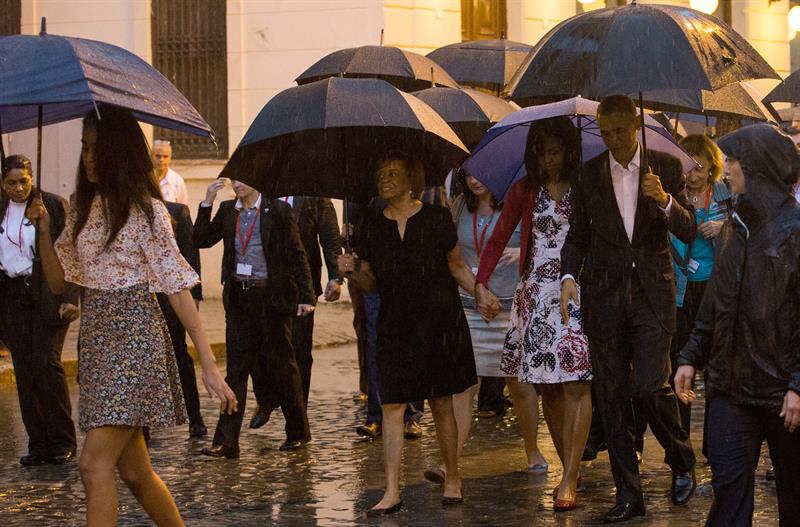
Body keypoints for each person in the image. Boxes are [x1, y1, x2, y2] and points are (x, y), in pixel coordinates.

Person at [27, 105, 236, 526]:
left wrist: (209, 364)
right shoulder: (83, 208)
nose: (86, 157)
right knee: (135, 472)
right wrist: (44, 231)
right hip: (99, 343)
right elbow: (57, 282)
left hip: (136, 340)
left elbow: (178, 290)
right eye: (84, 148)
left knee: (92, 464)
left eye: (95, 148)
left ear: (117, 153)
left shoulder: (147, 212)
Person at [559, 95, 697, 523]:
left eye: (620, 131)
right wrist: (567, 279)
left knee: (649, 388)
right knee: (612, 396)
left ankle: (681, 459)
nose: (614, 140)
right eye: (606, 133)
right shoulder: (587, 177)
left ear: (634, 127)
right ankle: (629, 495)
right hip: (604, 298)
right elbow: (577, 237)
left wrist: (665, 201)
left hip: (653, 296)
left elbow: (689, 230)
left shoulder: (666, 169)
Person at [338, 153, 478, 514]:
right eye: (381, 173)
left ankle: (453, 478)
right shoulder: (371, 224)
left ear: (411, 180)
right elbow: (371, 284)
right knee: (392, 405)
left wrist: (482, 293)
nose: (384, 179)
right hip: (395, 324)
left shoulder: (436, 218)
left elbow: (457, 266)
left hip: (437, 321)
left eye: (393, 173)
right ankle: (391, 490)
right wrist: (352, 270)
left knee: (441, 402)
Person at [674, 124, 800, 527]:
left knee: (794, 502)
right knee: (729, 494)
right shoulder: (733, 226)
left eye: (732, 161)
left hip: (783, 393)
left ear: (757, 167)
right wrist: (691, 356)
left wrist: (799, 384)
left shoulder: (795, 231)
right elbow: (716, 300)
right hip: (731, 387)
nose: (726, 170)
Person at [476, 117, 591, 511]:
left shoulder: (587, 186)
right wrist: (481, 281)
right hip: (534, 295)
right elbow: (499, 235)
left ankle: (571, 476)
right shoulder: (525, 189)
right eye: (541, 153)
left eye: (555, 151)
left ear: (569, 150)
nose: (548, 160)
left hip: (577, 290)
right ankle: (567, 468)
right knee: (551, 387)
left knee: (577, 381)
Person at [195, 178, 315, 457]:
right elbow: (201, 239)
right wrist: (206, 202)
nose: (236, 185)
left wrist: (306, 297)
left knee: (284, 366)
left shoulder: (277, 211)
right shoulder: (228, 210)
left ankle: (298, 431)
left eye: (242, 179)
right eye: (233, 180)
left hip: (271, 299)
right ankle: (226, 440)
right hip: (240, 299)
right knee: (236, 370)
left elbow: (298, 255)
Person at [0, 154, 78, 466]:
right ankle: (38, 443)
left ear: (32, 178)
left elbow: (70, 253)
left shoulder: (53, 205)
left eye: (23, 181)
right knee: (25, 369)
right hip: (12, 297)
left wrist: (71, 297)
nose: (18, 188)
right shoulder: (2, 208)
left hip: (48, 294)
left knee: (47, 364)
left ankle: (62, 439)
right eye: (11, 183)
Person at [249, 195, 343, 429]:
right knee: (262, 348)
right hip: (266, 284)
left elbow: (330, 239)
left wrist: (335, 277)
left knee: (299, 350)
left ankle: (298, 417)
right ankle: (266, 399)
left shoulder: (315, 199)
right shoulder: (262, 194)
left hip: (302, 285)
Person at [669, 135, 732, 443]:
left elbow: (745, 229)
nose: (692, 175)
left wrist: (725, 228)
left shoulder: (725, 195)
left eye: (699, 168)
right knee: (682, 362)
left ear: (712, 169)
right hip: (679, 289)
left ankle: (712, 442)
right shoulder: (672, 195)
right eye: (687, 167)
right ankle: (681, 440)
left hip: (714, 286)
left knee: (713, 367)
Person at [156, 200, 207, 438]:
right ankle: (141, 425)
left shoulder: (175, 212)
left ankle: (194, 417)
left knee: (178, 353)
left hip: (172, 296)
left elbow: (190, 254)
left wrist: (195, 294)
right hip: (142, 297)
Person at [152, 140, 189, 206]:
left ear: (170, 159)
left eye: (165, 156)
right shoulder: (144, 179)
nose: (161, 160)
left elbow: (183, 208)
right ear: (151, 157)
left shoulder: (177, 181)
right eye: (158, 156)